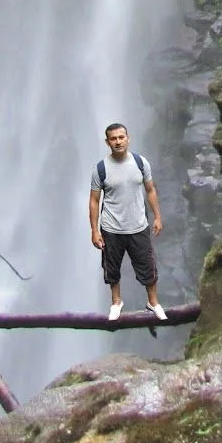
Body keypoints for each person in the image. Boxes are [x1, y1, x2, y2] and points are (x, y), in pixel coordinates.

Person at [89, 122, 168, 322]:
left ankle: (153, 302)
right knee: (111, 268)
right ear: (107, 142)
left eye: (121, 137)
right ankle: (116, 303)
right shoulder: (100, 169)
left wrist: (157, 216)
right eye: (113, 138)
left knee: (148, 265)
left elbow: (150, 190)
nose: (118, 142)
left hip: (138, 225)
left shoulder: (141, 163)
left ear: (128, 138)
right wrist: (94, 231)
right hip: (111, 227)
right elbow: (94, 200)